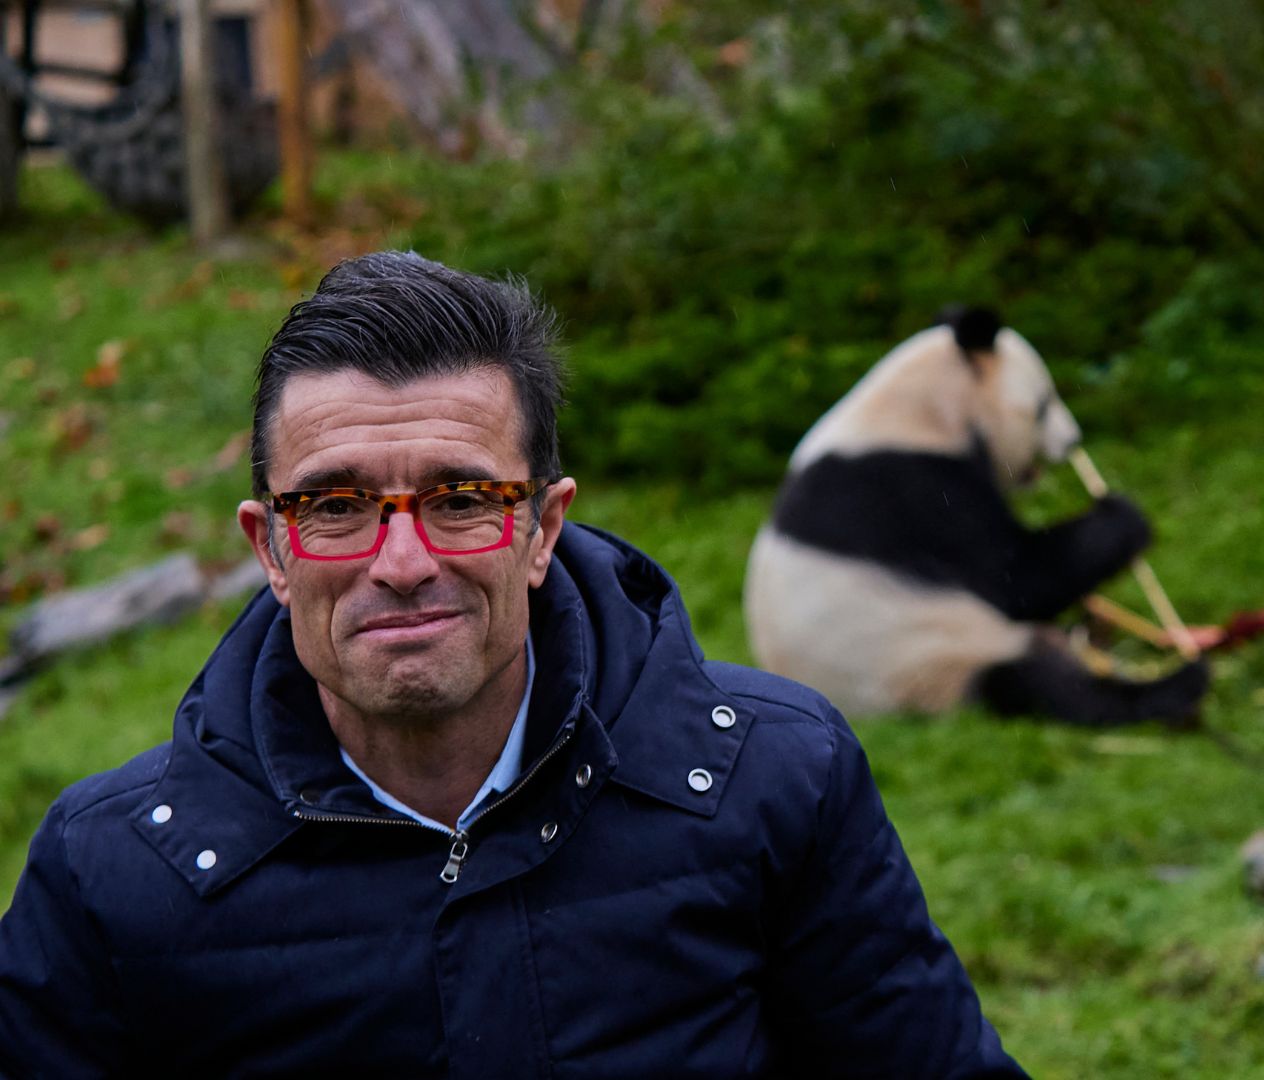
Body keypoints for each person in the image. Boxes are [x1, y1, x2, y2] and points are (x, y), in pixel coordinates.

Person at [0, 251, 1026, 1078]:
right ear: (270, 547)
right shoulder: (114, 879)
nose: (402, 564)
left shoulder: (775, 784)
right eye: (336, 506)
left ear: (540, 528)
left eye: (460, 498)